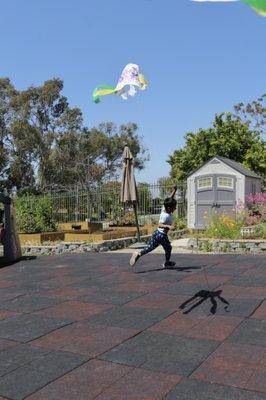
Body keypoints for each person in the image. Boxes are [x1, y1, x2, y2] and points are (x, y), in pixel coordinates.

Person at [130, 186, 177, 268]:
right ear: (169, 208)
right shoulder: (166, 216)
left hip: (157, 233)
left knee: (150, 247)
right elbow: (159, 224)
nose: (175, 208)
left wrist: (174, 190)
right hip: (161, 235)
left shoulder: (164, 209)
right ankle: (167, 263)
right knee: (168, 248)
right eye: (174, 207)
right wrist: (168, 226)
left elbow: (170, 198)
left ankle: (138, 254)